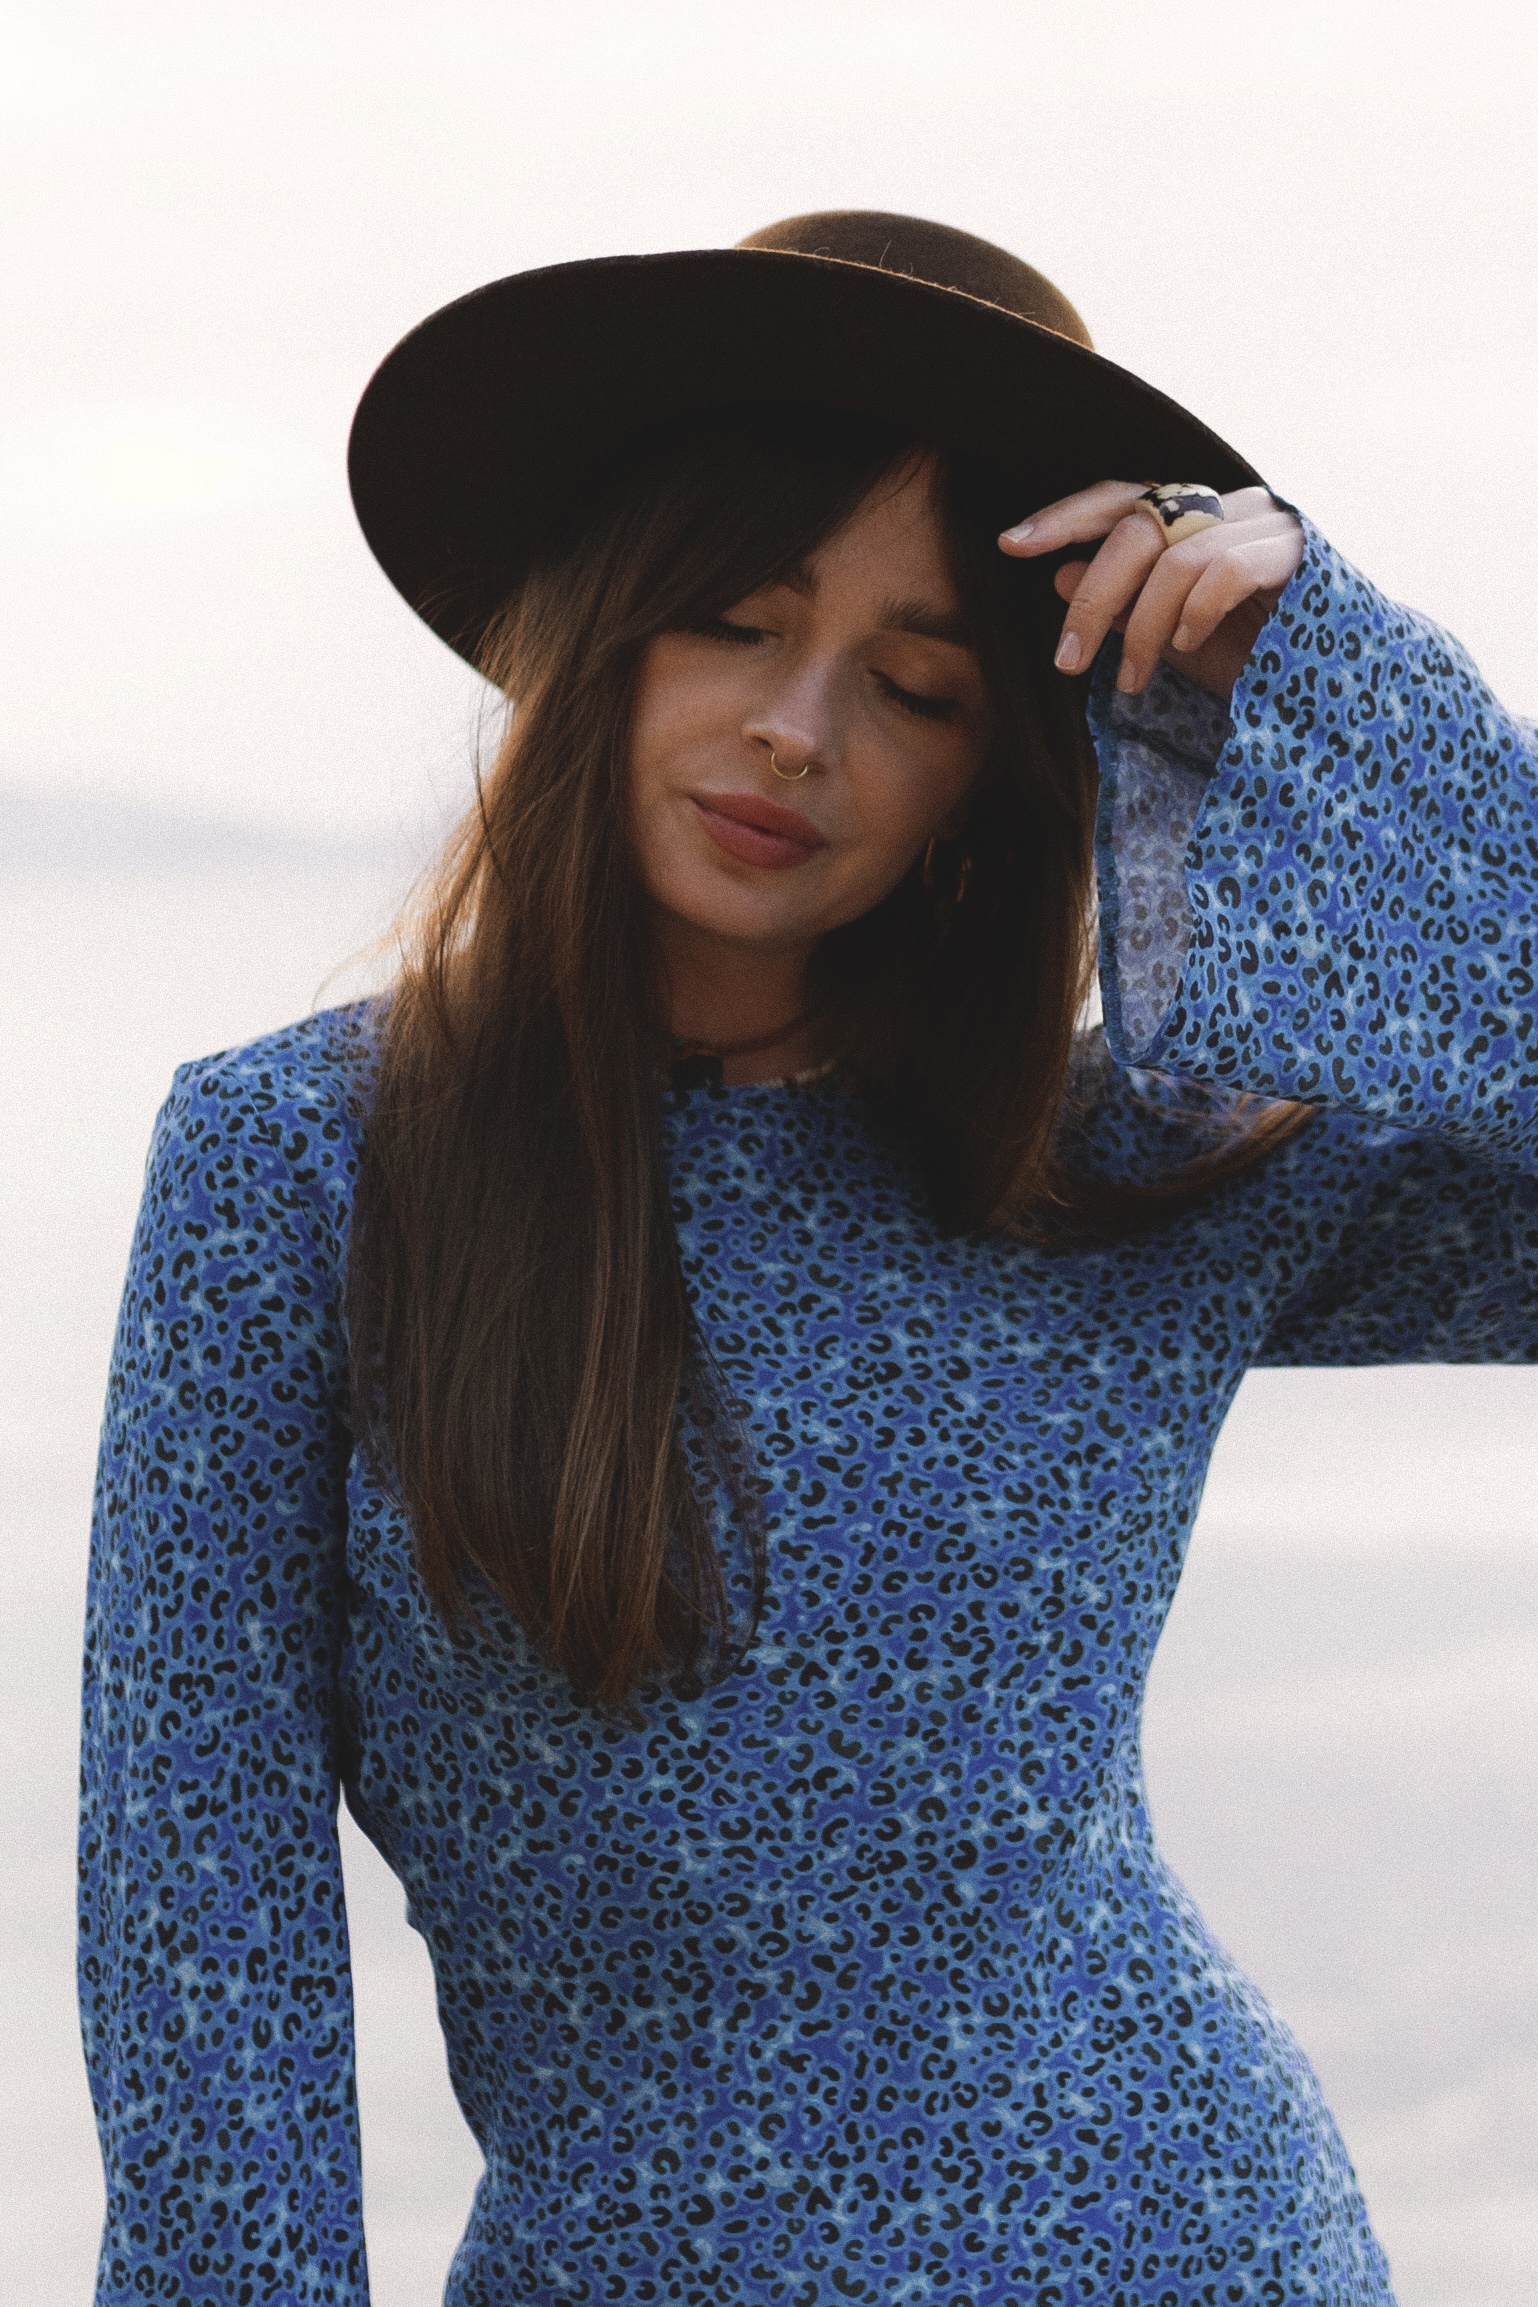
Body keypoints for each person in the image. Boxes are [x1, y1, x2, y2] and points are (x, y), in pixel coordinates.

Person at [79, 211, 1537, 2307]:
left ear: (986, 776)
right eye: (736, 619)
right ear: (599, 629)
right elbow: (200, 1935)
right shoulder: (299, 1164)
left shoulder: (1114, 1165)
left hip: (1199, 2244)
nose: (797, 726)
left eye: (915, 685)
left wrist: (1335, 682)